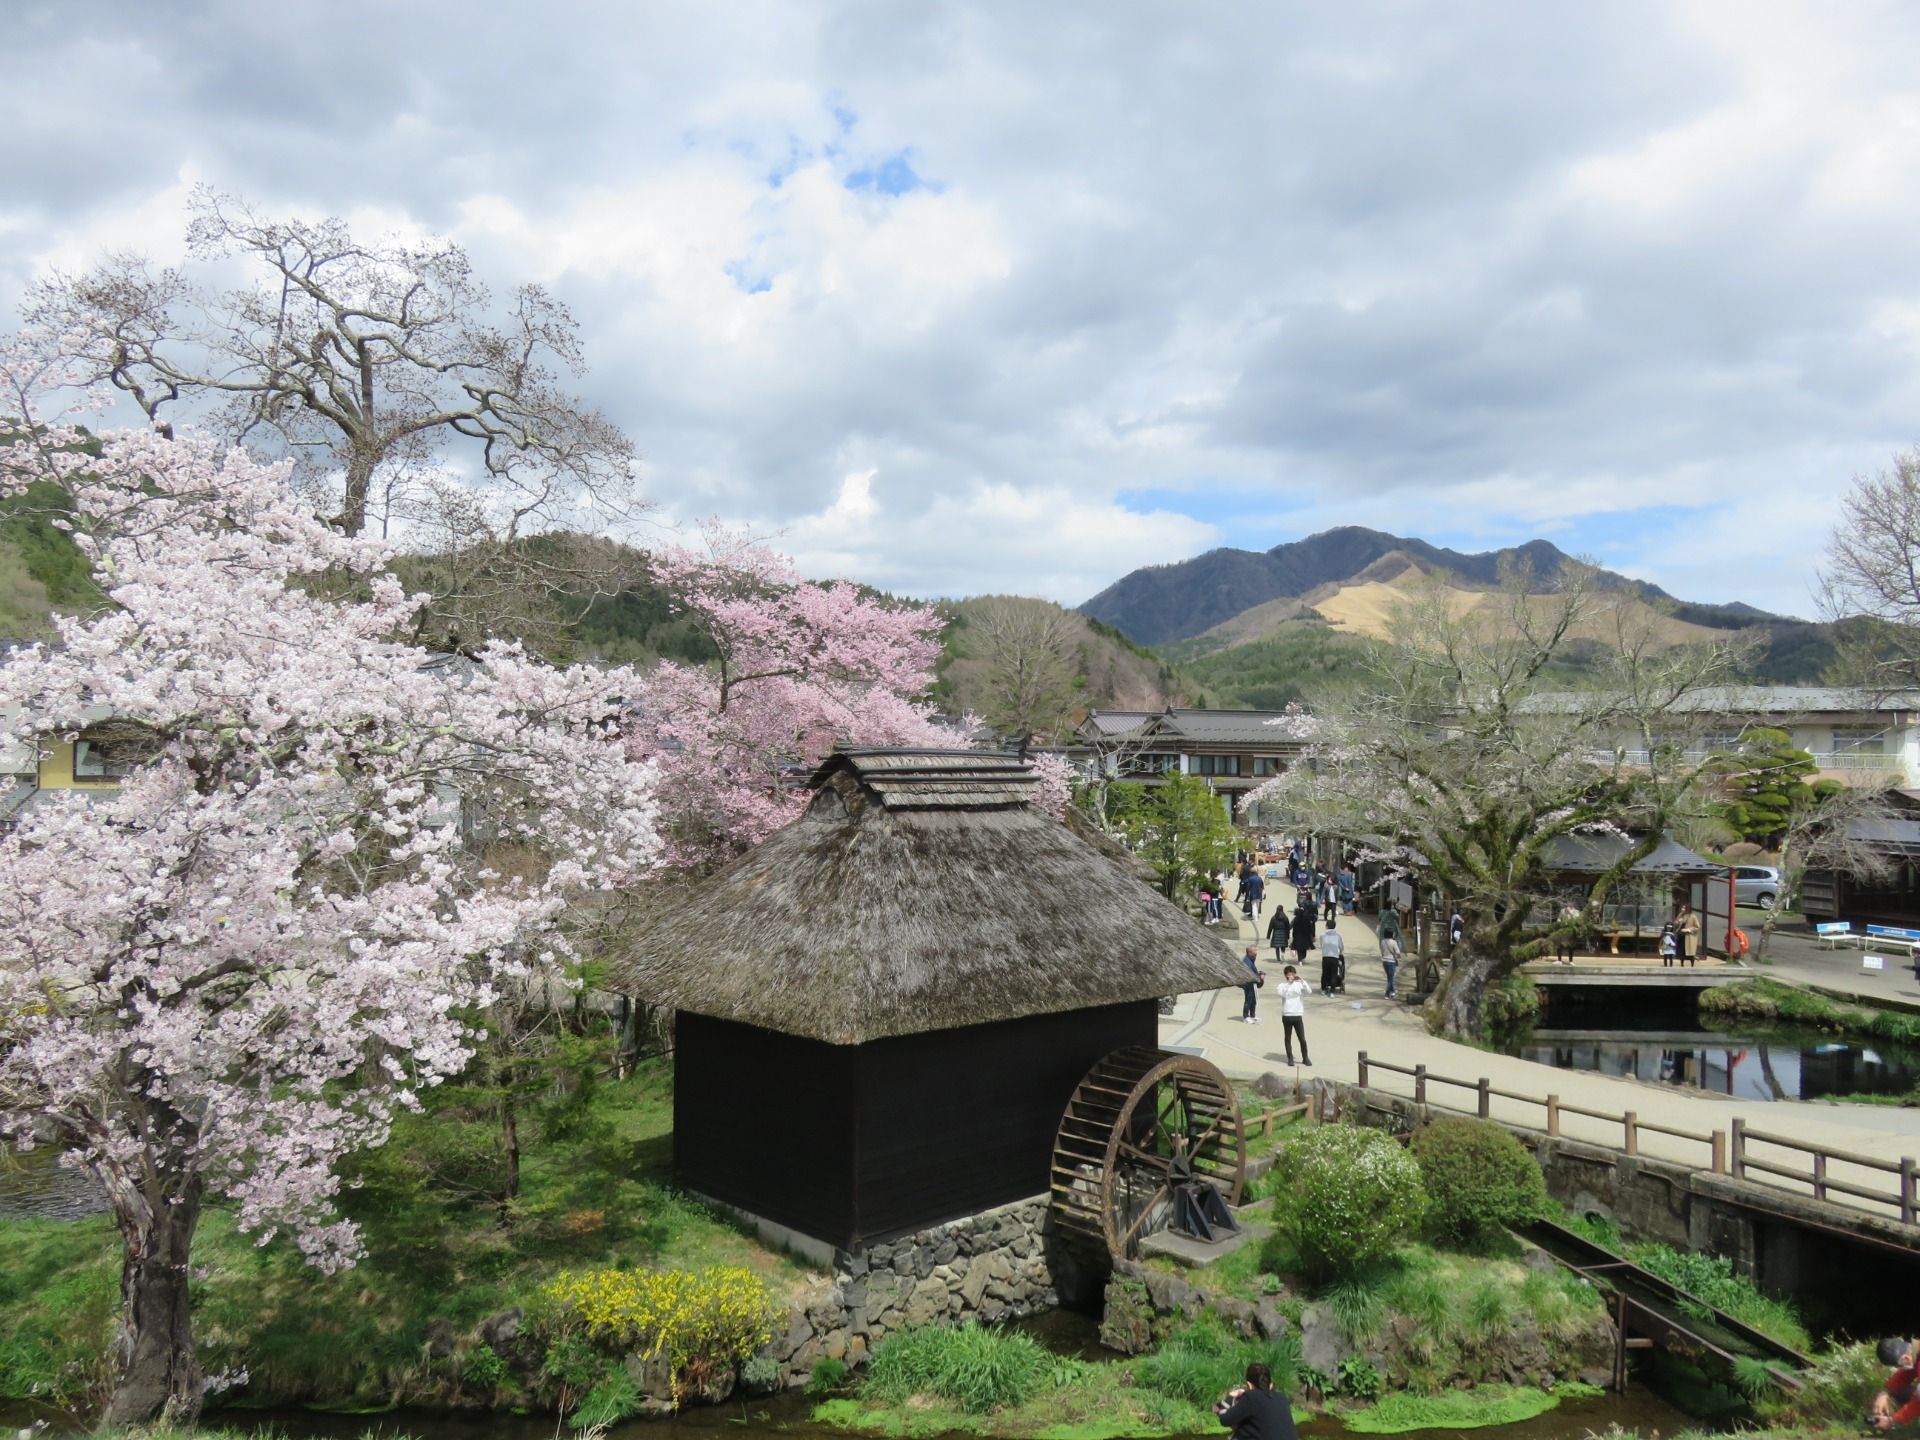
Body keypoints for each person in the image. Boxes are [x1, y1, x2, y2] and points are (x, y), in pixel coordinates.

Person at [1214, 1362, 1297, 1440]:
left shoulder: (1251, 1397)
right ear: (1271, 1384)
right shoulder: (1282, 1398)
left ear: (1249, 1385)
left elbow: (1225, 1420)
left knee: (1241, 1429)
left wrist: (1231, 1396)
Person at [1872, 1336, 1920, 1429]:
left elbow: (1918, 1403)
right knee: (1901, 1392)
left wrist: (1893, 1421)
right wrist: (1885, 1393)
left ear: (1905, 1358)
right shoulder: (1916, 1348)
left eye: (1899, 1366)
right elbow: (1907, 1373)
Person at [1277, 966, 1310, 1066]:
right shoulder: (1282, 985)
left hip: (1297, 1014)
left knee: (1302, 1038)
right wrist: (1289, 984)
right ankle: (1290, 1058)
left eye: (1292, 973)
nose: (1290, 976)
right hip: (1287, 1014)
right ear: (1286, 975)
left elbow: (1308, 991)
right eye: (1288, 974)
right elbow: (1282, 994)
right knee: (1288, 1037)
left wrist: (1302, 981)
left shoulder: (1299, 985)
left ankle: (1305, 1058)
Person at [1319, 917, 1345, 995]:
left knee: (1324, 973)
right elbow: (1341, 947)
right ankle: (1332, 991)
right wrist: (1339, 952)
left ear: (1327, 926)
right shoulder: (1338, 936)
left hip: (1326, 956)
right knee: (1334, 973)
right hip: (1334, 957)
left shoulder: (1322, 935)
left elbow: (1321, 945)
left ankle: (1323, 989)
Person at [1239, 945, 1263, 1024]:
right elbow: (1248, 973)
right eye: (1254, 951)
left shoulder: (1251, 958)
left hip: (1252, 983)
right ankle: (1245, 1016)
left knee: (1254, 1000)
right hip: (1248, 983)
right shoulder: (1247, 961)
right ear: (1249, 952)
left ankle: (1252, 1015)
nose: (1256, 952)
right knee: (1248, 1000)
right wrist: (1258, 976)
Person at [1289, 901, 1317, 967]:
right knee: (1304, 948)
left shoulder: (1296, 919)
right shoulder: (1307, 918)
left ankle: (1300, 960)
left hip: (1297, 935)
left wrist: (1291, 932)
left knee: (1299, 948)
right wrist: (1312, 934)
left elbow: (1292, 926)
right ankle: (1302, 958)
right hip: (1305, 935)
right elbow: (1310, 927)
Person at [1677, 902, 1701, 968]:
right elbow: (1676, 922)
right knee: (1682, 951)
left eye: (1684, 908)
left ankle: (1692, 964)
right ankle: (1682, 964)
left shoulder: (1693, 916)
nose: (1682, 909)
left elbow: (1697, 927)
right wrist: (1678, 921)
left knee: (1690, 952)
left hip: (1689, 936)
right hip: (1682, 936)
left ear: (1688, 909)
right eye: (1682, 908)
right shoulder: (1681, 915)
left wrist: (1689, 930)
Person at [1380, 931, 1402, 999]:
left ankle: (1392, 991)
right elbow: (1398, 952)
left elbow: (1382, 951)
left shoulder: (1382, 941)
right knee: (1391, 978)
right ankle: (1387, 994)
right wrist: (1398, 957)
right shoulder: (1393, 942)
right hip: (1391, 961)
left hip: (1384, 961)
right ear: (1392, 934)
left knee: (1389, 977)